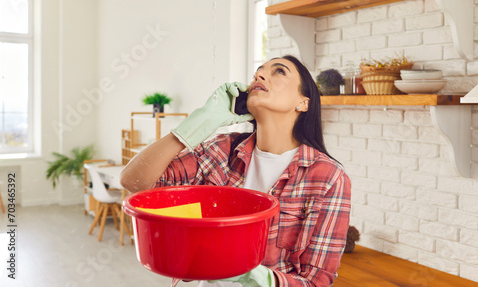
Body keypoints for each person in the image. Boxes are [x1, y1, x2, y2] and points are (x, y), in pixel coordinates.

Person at [120, 55, 351, 287]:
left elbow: (317, 281)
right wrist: (195, 125)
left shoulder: (328, 178)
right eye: (258, 73)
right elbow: (135, 180)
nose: (259, 76)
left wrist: (263, 280)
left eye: (279, 71)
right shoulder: (222, 150)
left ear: (303, 102)